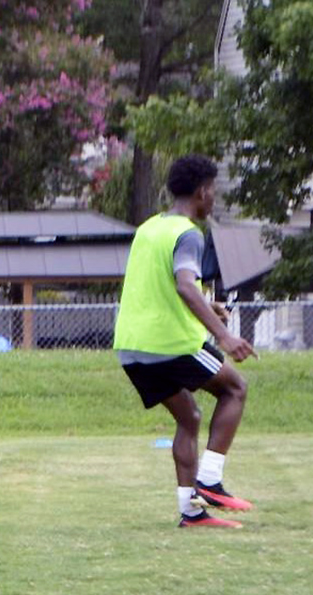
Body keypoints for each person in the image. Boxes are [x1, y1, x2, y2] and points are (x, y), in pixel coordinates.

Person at [111, 154, 258, 529]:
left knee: (189, 417)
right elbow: (183, 285)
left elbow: (161, 286)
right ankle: (209, 482)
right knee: (235, 389)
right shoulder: (189, 233)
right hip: (170, 345)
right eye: (214, 192)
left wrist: (208, 305)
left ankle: (191, 513)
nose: (214, 200)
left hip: (131, 347)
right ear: (202, 191)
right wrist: (224, 336)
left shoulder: (149, 228)